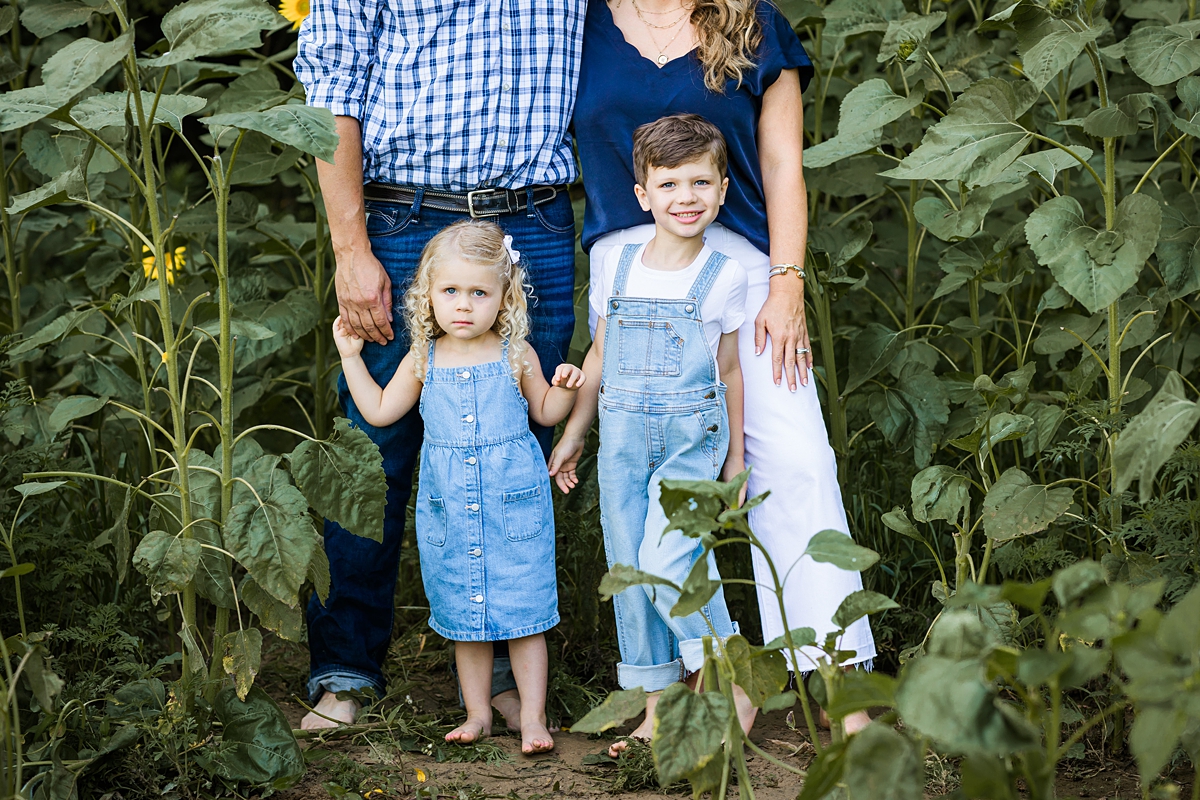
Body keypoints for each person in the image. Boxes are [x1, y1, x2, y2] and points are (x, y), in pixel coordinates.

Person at [570, 0, 877, 733]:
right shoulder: (575, 22)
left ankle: (838, 679)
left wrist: (787, 281)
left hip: (737, 270)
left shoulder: (753, 24)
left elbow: (780, 168)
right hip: (626, 277)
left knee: (797, 462)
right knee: (648, 500)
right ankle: (695, 687)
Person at [294, 2, 584, 731]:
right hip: (400, 218)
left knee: (517, 458)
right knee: (372, 452)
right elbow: (332, 91)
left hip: (532, 218)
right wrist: (349, 247)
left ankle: (498, 680)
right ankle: (346, 668)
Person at [331, 220, 584, 754]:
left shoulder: (516, 354)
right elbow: (378, 411)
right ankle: (478, 714)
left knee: (524, 616)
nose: (463, 305)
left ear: (503, 297)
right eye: (450, 291)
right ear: (428, 296)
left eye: (478, 292)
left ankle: (533, 718)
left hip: (512, 507)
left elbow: (545, 411)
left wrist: (565, 388)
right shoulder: (422, 357)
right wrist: (352, 359)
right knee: (466, 619)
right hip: (453, 511)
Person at [549, 114, 754, 754]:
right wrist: (577, 430)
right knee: (630, 568)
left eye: (700, 183)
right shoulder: (615, 262)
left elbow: (728, 371)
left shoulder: (726, 273)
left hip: (693, 437)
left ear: (723, 189)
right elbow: (601, 354)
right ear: (643, 194)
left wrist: (737, 462)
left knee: (671, 557)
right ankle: (658, 705)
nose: (685, 198)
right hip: (621, 440)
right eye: (668, 185)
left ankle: (732, 674)